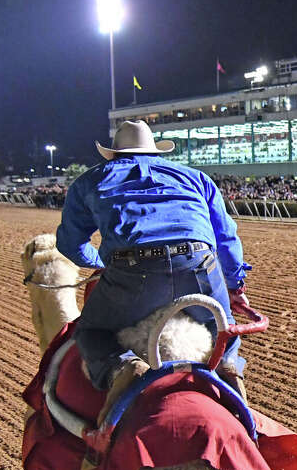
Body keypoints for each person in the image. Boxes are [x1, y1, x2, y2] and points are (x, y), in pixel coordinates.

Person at [56, 120, 249, 410]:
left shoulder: (89, 181)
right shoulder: (195, 177)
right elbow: (226, 239)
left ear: (113, 153)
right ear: (155, 151)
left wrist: (101, 263)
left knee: (90, 332)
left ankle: (121, 366)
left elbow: (71, 245)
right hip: (198, 266)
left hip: (132, 273)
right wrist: (235, 286)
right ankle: (228, 365)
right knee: (224, 324)